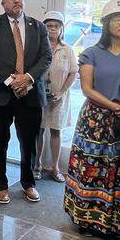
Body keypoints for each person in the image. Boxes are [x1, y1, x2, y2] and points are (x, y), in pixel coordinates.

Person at [63, 0, 120, 239]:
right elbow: (87, 89)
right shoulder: (91, 53)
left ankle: (114, 223)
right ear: (106, 23)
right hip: (95, 121)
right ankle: (85, 219)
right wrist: (114, 107)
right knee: (91, 168)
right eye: (117, 19)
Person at [0, 0, 52, 204]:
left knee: (28, 143)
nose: (16, 0)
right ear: (2, 2)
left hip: (30, 95)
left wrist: (27, 78)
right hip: (0, 95)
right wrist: (12, 81)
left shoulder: (38, 27)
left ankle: (28, 183)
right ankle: (1, 186)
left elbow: (46, 57)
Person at [35, 11, 78, 183]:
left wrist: (61, 92)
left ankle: (55, 167)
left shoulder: (67, 50)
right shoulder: (38, 48)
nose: (52, 29)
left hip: (59, 98)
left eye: (56, 26)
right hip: (39, 97)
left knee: (56, 131)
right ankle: (37, 165)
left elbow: (73, 73)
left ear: (61, 29)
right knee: (38, 131)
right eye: (49, 26)